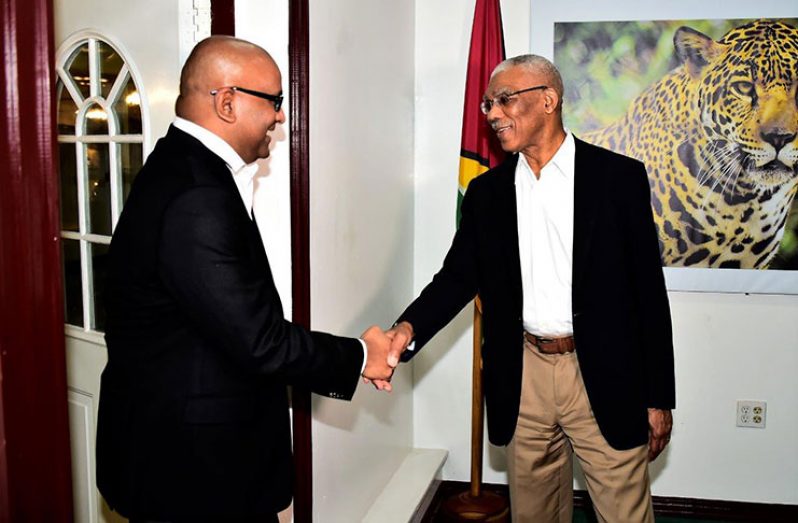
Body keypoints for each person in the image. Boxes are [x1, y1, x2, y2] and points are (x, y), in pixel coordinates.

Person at [96, 36, 397, 522]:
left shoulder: (182, 167)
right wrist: (362, 356)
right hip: (193, 471)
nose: (281, 116)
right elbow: (260, 341)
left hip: (180, 452)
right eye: (274, 101)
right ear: (228, 101)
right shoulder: (197, 194)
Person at [385, 55, 675, 522]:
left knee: (624, 515)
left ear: (548, 100)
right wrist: (407, 329)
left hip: (603, 372)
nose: (493, 114)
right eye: (487, 105)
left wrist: (659, 396)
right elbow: (457, 278)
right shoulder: (487, 194)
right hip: (523, 375)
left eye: (504, 100)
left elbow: (649, 294)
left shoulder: (618, 179)